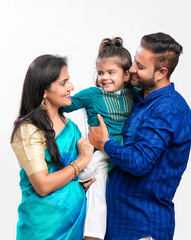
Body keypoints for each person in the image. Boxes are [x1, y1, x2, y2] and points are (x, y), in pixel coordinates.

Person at [88, 32, 191, 240]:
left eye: (141, 66)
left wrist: (104, 143)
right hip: (116, 224)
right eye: (135, 61)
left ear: (161, 72)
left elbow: (139, 161)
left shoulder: (170, 110)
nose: (132, 69)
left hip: (143, 228)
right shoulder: (135, 99)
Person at [10, 54, 95, 240]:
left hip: (75, 225)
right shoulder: (28, 130)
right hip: (42, 230)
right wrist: (81, 162)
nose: (71, 87)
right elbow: (43, 185)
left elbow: (77, 176)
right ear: (44, 91)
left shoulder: (71, 128)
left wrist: (82, 183)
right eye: (63, 83)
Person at [62, 37, 136, 240]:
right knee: (93, 178)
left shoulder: (134, 94)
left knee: (104, 193)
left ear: (126, 75)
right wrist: (35, 109)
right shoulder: (92, 94)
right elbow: (64, 105)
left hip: (121, 153)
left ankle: (94, 234)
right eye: (101, 73)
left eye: (111, 72)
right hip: (98, 154)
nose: (105, 78)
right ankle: (91, 234)